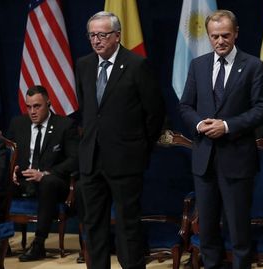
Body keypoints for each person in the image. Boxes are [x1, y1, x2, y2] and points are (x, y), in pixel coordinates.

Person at [179, 9, 263, 269]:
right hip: (204, 158)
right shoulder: (198, 65)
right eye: (214, 36)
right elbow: (185, 105)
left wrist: (227, 126)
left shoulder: (253, 65)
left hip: (237, 158)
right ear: (208, 36)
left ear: (236, 34)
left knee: (238, 227)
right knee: (207, 227)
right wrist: (199, 123)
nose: (220, 41)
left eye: (225, 35)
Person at [75, 11, 164, 269]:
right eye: (92, 35)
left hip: (125, 160)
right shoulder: (84, 65)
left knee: (127, 225)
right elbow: (88, 110)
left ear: (117, 36)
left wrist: (139, 147)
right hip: (91, 160)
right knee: (93, 224)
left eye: (102, 35)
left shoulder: (137, 65)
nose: (96, 40)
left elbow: (155, 113)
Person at [6, 85, 78, 262]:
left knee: (47, 182)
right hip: (24, 180)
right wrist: (11, 170)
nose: (32, 111)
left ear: (49, 103)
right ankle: (2, 242)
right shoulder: (18, 123)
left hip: (54, 182)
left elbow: (75, 159)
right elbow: (8, 154)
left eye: (37, 106)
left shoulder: (65, 125)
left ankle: (38, 245)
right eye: (28, 107)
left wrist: (45, 173)